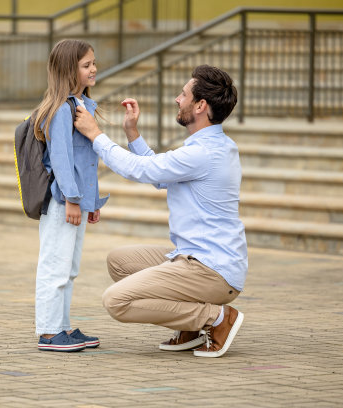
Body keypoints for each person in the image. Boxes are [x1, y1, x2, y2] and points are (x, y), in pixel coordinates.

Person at [73, 65, 247, 358]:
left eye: (183, 94)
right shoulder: (212, 146)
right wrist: (132, 132)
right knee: (119, 262)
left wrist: (95, 135)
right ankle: (191, 326)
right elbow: (159, 176)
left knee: (116, 301)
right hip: (196, 257)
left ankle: (216, 318)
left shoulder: (202, 153)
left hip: (209, 269)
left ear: (201, 106)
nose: (177, 100)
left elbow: (140, 170)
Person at [33, 39, 109, 352]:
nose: (94, 69)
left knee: (69, 268)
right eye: (86, 65)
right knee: (55, 267)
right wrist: (74, 200)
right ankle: (49, 333)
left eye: (93, 63)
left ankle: (62, 327)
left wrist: (90, 202)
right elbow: (63, 160)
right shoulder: (62, 111)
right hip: (63, 204)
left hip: (76, 203)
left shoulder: (81, 107)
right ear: (69, 69)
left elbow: (86, 163)